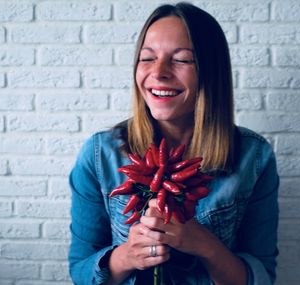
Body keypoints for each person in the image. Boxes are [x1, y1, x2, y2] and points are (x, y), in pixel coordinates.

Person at [68, 2, 279, 285]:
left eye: (181, 60)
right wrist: (127, 256)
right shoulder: (99, 155)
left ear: (210, 71)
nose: (159, 72)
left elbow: (262, 278)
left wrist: (205, 245)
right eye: (147, 58)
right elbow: (80, 272)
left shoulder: (253, 156)